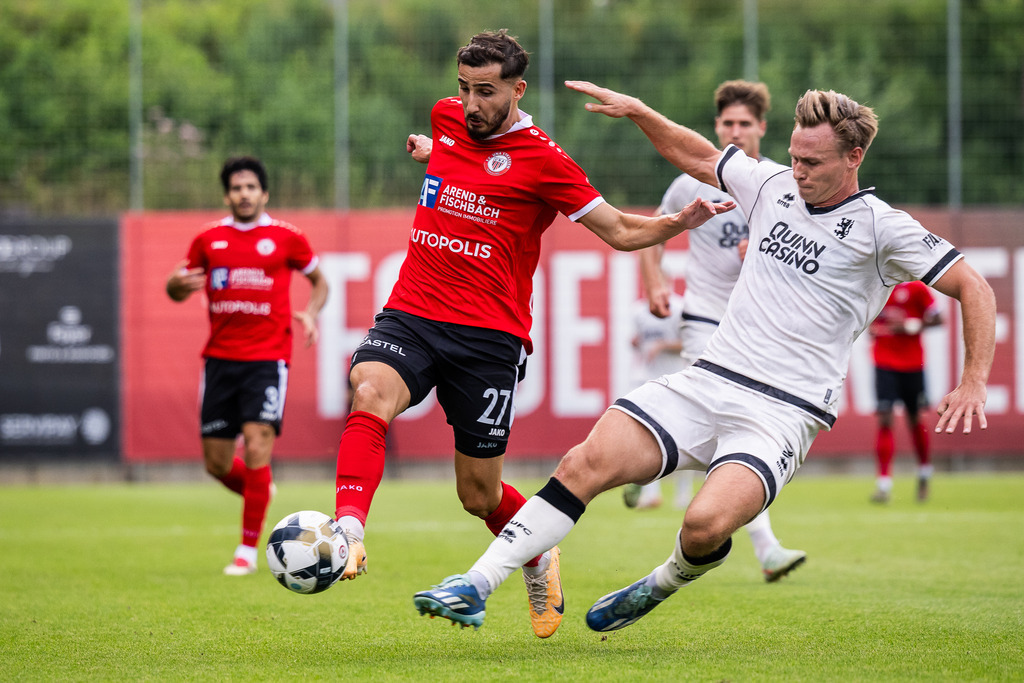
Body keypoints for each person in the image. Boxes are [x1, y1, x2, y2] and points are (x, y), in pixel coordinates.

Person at [412, 80, 995, 634]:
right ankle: (476, 583)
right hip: (708, 380)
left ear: (854, 157)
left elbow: (974, 286)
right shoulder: (771, 184)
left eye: (812, 163)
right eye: (794, 157)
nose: (797, 171)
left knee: (702, 526)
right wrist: (639, 111)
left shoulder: (883, 228)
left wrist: (973, 380)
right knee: (582, 463)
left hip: (784, 412)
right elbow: (697, 154)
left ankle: (664, 581)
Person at [333, 30, 733, 639]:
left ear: (517, 90)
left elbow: (620, 231)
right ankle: (348, 528)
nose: (471, 104)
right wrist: (431, 150)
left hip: (488, 338)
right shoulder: (447, 119)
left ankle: (538, 554)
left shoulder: (544, 160)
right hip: (413, 312)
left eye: (486, 92)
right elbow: (454, 158)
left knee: (478, 494)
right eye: (464, 88)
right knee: (369, 389)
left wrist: (679, 222)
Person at [625, 80, 806, 583]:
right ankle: (767, 547)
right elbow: (652, 234)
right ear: (717, 127)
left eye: (745, 123)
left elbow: (805, 262)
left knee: (721, 429)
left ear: (762, 128)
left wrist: (768, 255)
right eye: (728, 123)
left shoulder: (780, 185)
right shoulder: (691, 184)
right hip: (705, 319)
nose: (735, 131)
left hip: (759, 329)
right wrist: (655, 283)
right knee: (731, 424)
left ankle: (640, 465)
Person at [166, 156, 328, 575]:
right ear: (227, 196)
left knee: (257, 444)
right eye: (236, 188)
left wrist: (311, 313)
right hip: (220, 360)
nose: (244, 194)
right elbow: (178, 288)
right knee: (217, 464)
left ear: (264, 193)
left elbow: (319, 281)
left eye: (251, 187)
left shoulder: (287, 238)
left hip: (268, 359)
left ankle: (247, 552)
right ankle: (260, 489)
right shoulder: (208, 240)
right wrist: (173, 285)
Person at [869, 280, 944, 503]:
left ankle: (924, 474)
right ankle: (883, 484)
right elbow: (868, 320)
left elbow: (938, 319)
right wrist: (871, 328)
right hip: (883, 362)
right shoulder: (877, 285)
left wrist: (911, 325)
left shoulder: (916, 288)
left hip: (912, 364)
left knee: (915, 419)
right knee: (885, 418)